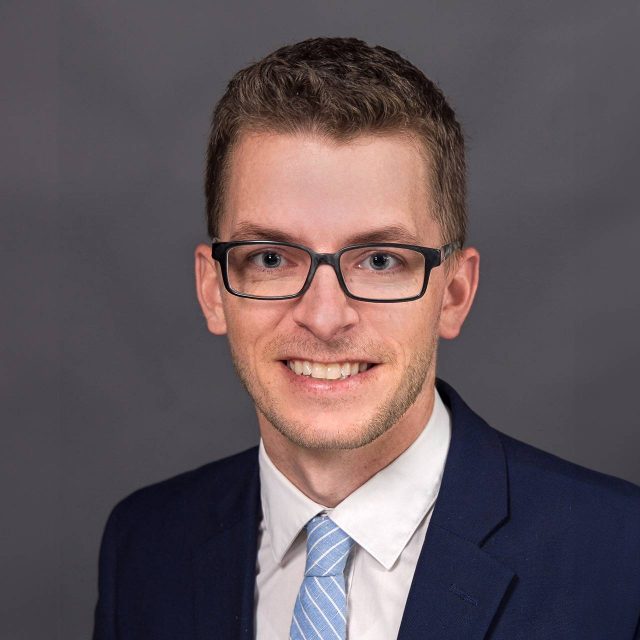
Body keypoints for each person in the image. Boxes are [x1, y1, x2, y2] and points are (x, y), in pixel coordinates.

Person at [93, 37, 640, 640]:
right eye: (272, 257)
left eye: (380, 260)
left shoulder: (620, 557)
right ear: (213, 289)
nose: (325, 318)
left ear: (454, 293)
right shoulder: (143, 546)